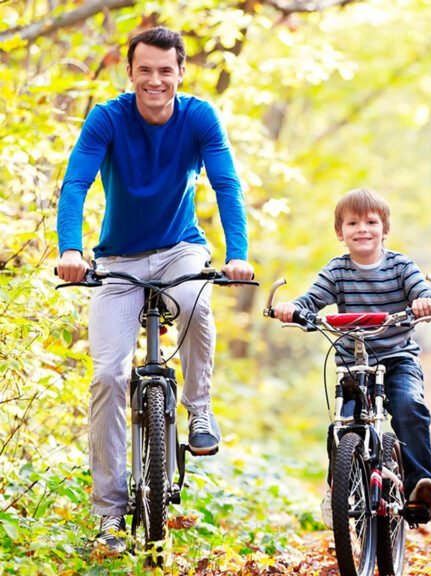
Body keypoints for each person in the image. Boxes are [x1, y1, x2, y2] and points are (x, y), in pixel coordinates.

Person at [54, 26, 254, 555]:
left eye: (166, 70)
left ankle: (200, 406)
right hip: (116, 259)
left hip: (178, 248)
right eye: (145, 70)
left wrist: (236, 255)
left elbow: (226, 184)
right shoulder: (107, 118)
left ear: (181, 73)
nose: (155, 80)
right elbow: (76, 183)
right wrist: (71, 250)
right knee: (107, 376)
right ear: (131, 72)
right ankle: (109, 518)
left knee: (194, 301)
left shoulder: (199, 118)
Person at [270, 187, 431, 526]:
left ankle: (421, 486)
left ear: (385, 229)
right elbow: (311, 300)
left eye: (371, 222)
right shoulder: (337, 271)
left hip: (397, 358)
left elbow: (423, 291)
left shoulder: (400, 266)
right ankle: (340, 490)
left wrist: (424, 301)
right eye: (352, 223)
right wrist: (293, 309)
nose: (362, 229)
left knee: (409, 407)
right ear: (340, 233)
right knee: (342, 423)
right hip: (353, 360)